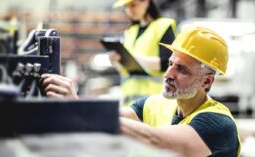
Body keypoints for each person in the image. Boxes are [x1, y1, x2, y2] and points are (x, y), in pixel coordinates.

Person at [41, 27, 241, 157]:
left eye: (181, 69)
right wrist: (73, 101)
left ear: (206, 81)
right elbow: (110, 115)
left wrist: (77, 109)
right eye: (170, 64)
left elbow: (155, 139)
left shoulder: (218, 123)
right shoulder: (156, 104)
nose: (168, 74)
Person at [109, 0, 176, 106]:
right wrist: (116, 61)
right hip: (129, 104)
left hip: (155, 103)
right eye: (126, 7)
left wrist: (135, 59)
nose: (129, 10)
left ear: (147, 1)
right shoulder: (130, 32)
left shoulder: (163, 26)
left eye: (133, 5)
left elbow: (168, 63)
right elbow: (126, 71)